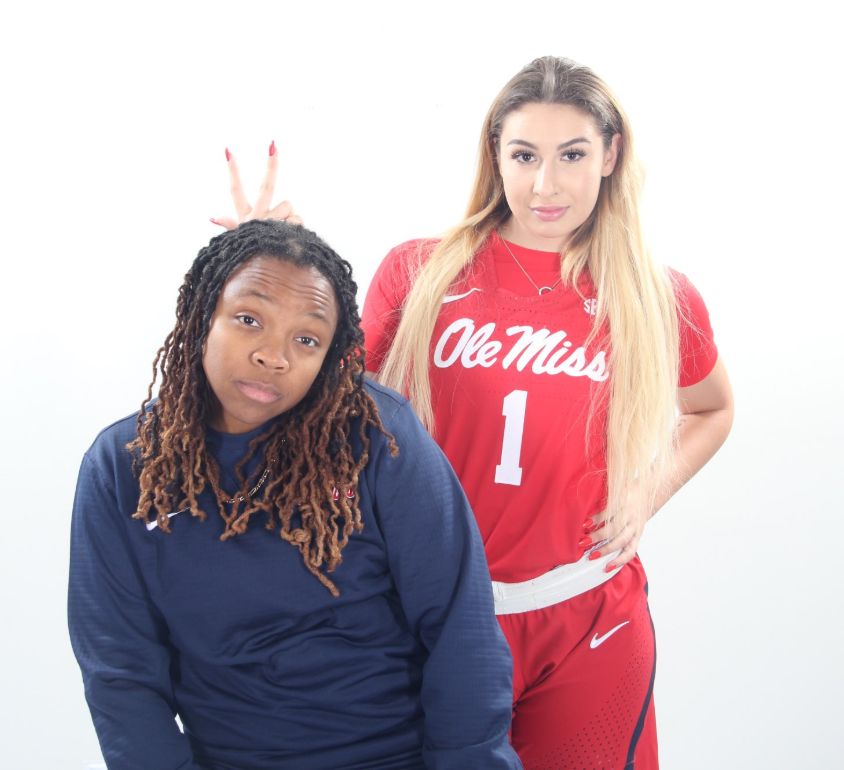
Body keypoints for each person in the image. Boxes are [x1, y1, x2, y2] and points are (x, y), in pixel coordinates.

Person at [213, 56, 734, 768]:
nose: (545, 184)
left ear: (611, 155)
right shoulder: (420, 271)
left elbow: (712, 408)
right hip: (431, 615)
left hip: (588, 617)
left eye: (572, 155)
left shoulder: (657, 295)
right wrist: (274, 268)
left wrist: (645, 493)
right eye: (524, 155)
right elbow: (320, 403)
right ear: (496, 154)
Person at [68, 220, 522, 770]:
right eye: (249, 320)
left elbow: (459, 625)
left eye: (306, 339)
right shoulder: (124, 467)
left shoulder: (377, 438)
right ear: (201, 317)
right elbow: (121, 674)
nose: (273, 355)